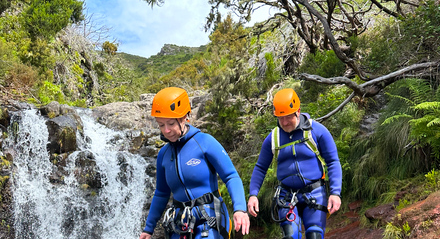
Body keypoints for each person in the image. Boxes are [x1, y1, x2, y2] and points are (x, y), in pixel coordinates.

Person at [139, 87, 250, 239]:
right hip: (180, 221)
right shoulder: (163, 155)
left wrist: (240, 209)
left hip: (209, 216)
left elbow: (231, 176)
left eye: (170, 123)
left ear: (185, 117)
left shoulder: (205, 142)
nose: (166, 130)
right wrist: (148, 229)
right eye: (161, 125)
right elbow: (161, 194)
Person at [247, 88, 342, 239]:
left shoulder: (316, 131)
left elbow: (333, 161)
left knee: (315, 235)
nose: (284, 122)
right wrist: (253, 195)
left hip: (315, 193)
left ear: (298, 111)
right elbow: (260, 168)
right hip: (286, 197)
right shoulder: (273, 138)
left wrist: (335, 193)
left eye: (287, 117)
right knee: (290, 237)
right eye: (280, 118)